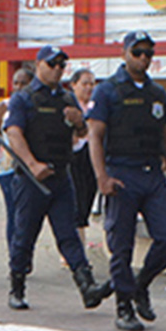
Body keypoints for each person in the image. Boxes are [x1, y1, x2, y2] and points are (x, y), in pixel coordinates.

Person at [0, 45, 111, 311]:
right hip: (32, 180)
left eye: (62, 65)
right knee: (24, 235)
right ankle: (17, 288)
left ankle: (88, 288)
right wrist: (32, 164)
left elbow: (83, 133)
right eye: (53, 64)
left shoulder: (67, 98)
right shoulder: (24, 98)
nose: (58, 69)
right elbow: (13, 133)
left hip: (61, 176)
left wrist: (79, 122)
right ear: (39, 65)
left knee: (69, 234)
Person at [88, 30, 166, 331]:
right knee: (122, 245)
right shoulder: (108, 91)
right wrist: (102, 178)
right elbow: (95, 135)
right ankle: (124, 306)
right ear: (124, 54)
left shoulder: (156, 94)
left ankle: (140, 285)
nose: (143, 58)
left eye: (148, 53)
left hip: (151, 173)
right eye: (137, 52)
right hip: (121, 171)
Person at [66, 66, 100, 230]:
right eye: (85, 84)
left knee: (89, 195)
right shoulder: (68, 104)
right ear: (74, 84)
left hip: (93, 155)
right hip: (74, 156)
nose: (89, 88)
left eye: (92, 84)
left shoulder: (97, 106)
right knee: (76, 200)